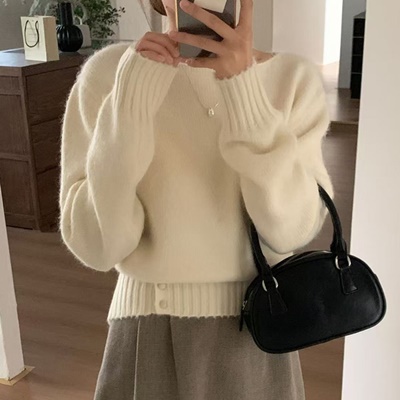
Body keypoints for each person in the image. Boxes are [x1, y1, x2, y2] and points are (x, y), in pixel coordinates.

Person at [58, 0, 334, 398]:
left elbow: (291, 231)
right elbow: (98, 247)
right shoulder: (109, 74)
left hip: (257, 327)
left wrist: (245, 93)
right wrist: (129, 108)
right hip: (146, 327)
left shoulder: (292, 80)